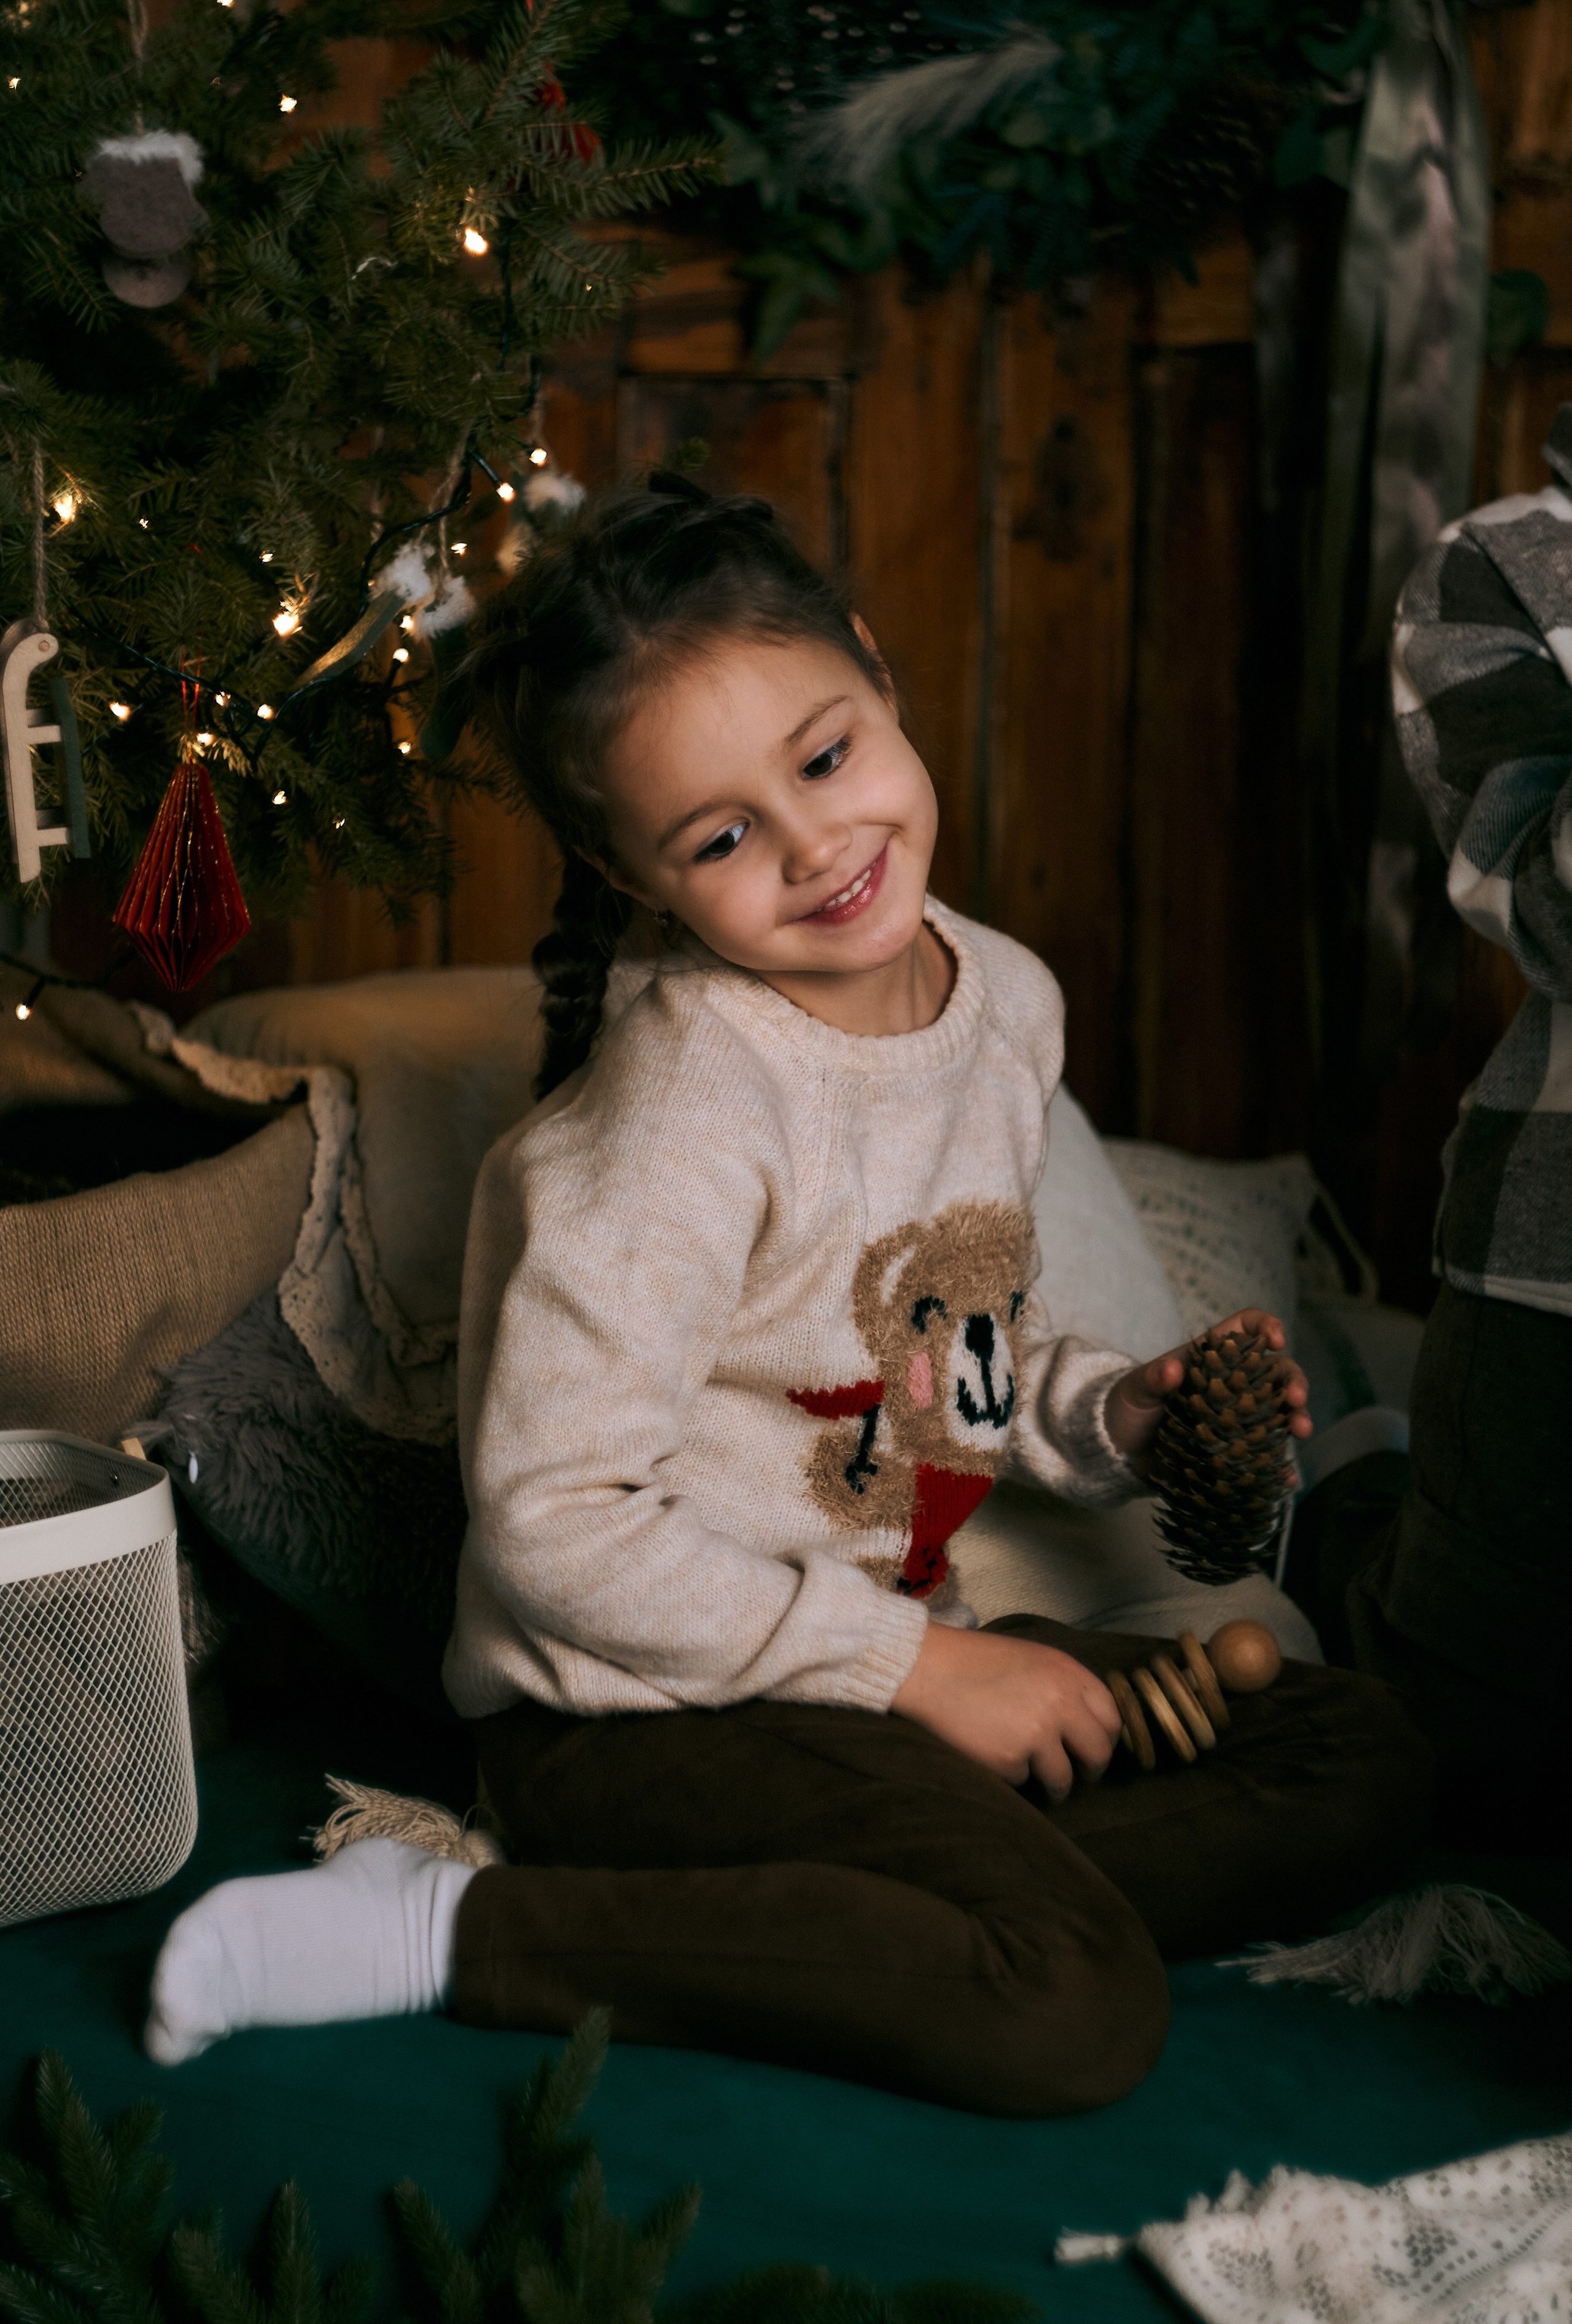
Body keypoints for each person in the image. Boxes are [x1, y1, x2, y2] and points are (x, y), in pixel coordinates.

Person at [144, 475, 1431, 2112]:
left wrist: (1112, 1413)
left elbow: (951, 1334)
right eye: (722, 836)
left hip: (873, 1670)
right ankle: (449, 1927)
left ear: (876, 673)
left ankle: (891, 1908)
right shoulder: (679, 1110)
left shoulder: (1003, 1002)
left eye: (822, 758)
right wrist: (925, 1676)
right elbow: (555, 1527)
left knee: (1362, 1757)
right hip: (643, 1719)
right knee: (1064, 2004)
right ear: (632, 872)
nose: (817, 847)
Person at [1290, 414, 1572, 1850]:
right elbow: (1547, 911)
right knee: (1470, 1743)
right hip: (1547, 1275)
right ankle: (1346, 1507)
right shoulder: (1502, 568)